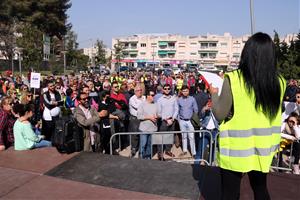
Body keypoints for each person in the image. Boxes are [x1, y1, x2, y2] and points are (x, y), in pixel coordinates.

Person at [210, 32, 286, 199]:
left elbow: (220, 113)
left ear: (247, 53)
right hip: (264, 148)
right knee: (260, 189)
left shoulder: (234, 79)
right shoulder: (280, 82)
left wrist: (214, 95)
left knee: (230, 193)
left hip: (236, 150)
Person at [177, 85, 198, 158]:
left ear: (188, 91)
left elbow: (196, 110)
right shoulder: (179, 100)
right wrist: (179, 120)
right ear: (181, 92)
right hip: (182, 121)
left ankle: (193, 152)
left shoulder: (192, 99)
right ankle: (185, 150)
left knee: (191, 137)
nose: (185, 92)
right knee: (184, 137)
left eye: (186, 91)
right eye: (183, 91)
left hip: (190, 121)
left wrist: (193, 118)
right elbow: (177, 110)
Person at [137, 89, 158, 159]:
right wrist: (149, 118)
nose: (153, 97)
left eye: (154, 95)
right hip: (144, 129)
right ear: (147, 96)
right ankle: (141, 158)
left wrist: (157, 116)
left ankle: (148, 158)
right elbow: (139, 116)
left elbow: (159, 114)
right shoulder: (142, 105)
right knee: (143, 145)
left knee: (150, 145)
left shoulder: (156, 104)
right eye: (152, 95)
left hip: (153, 128)